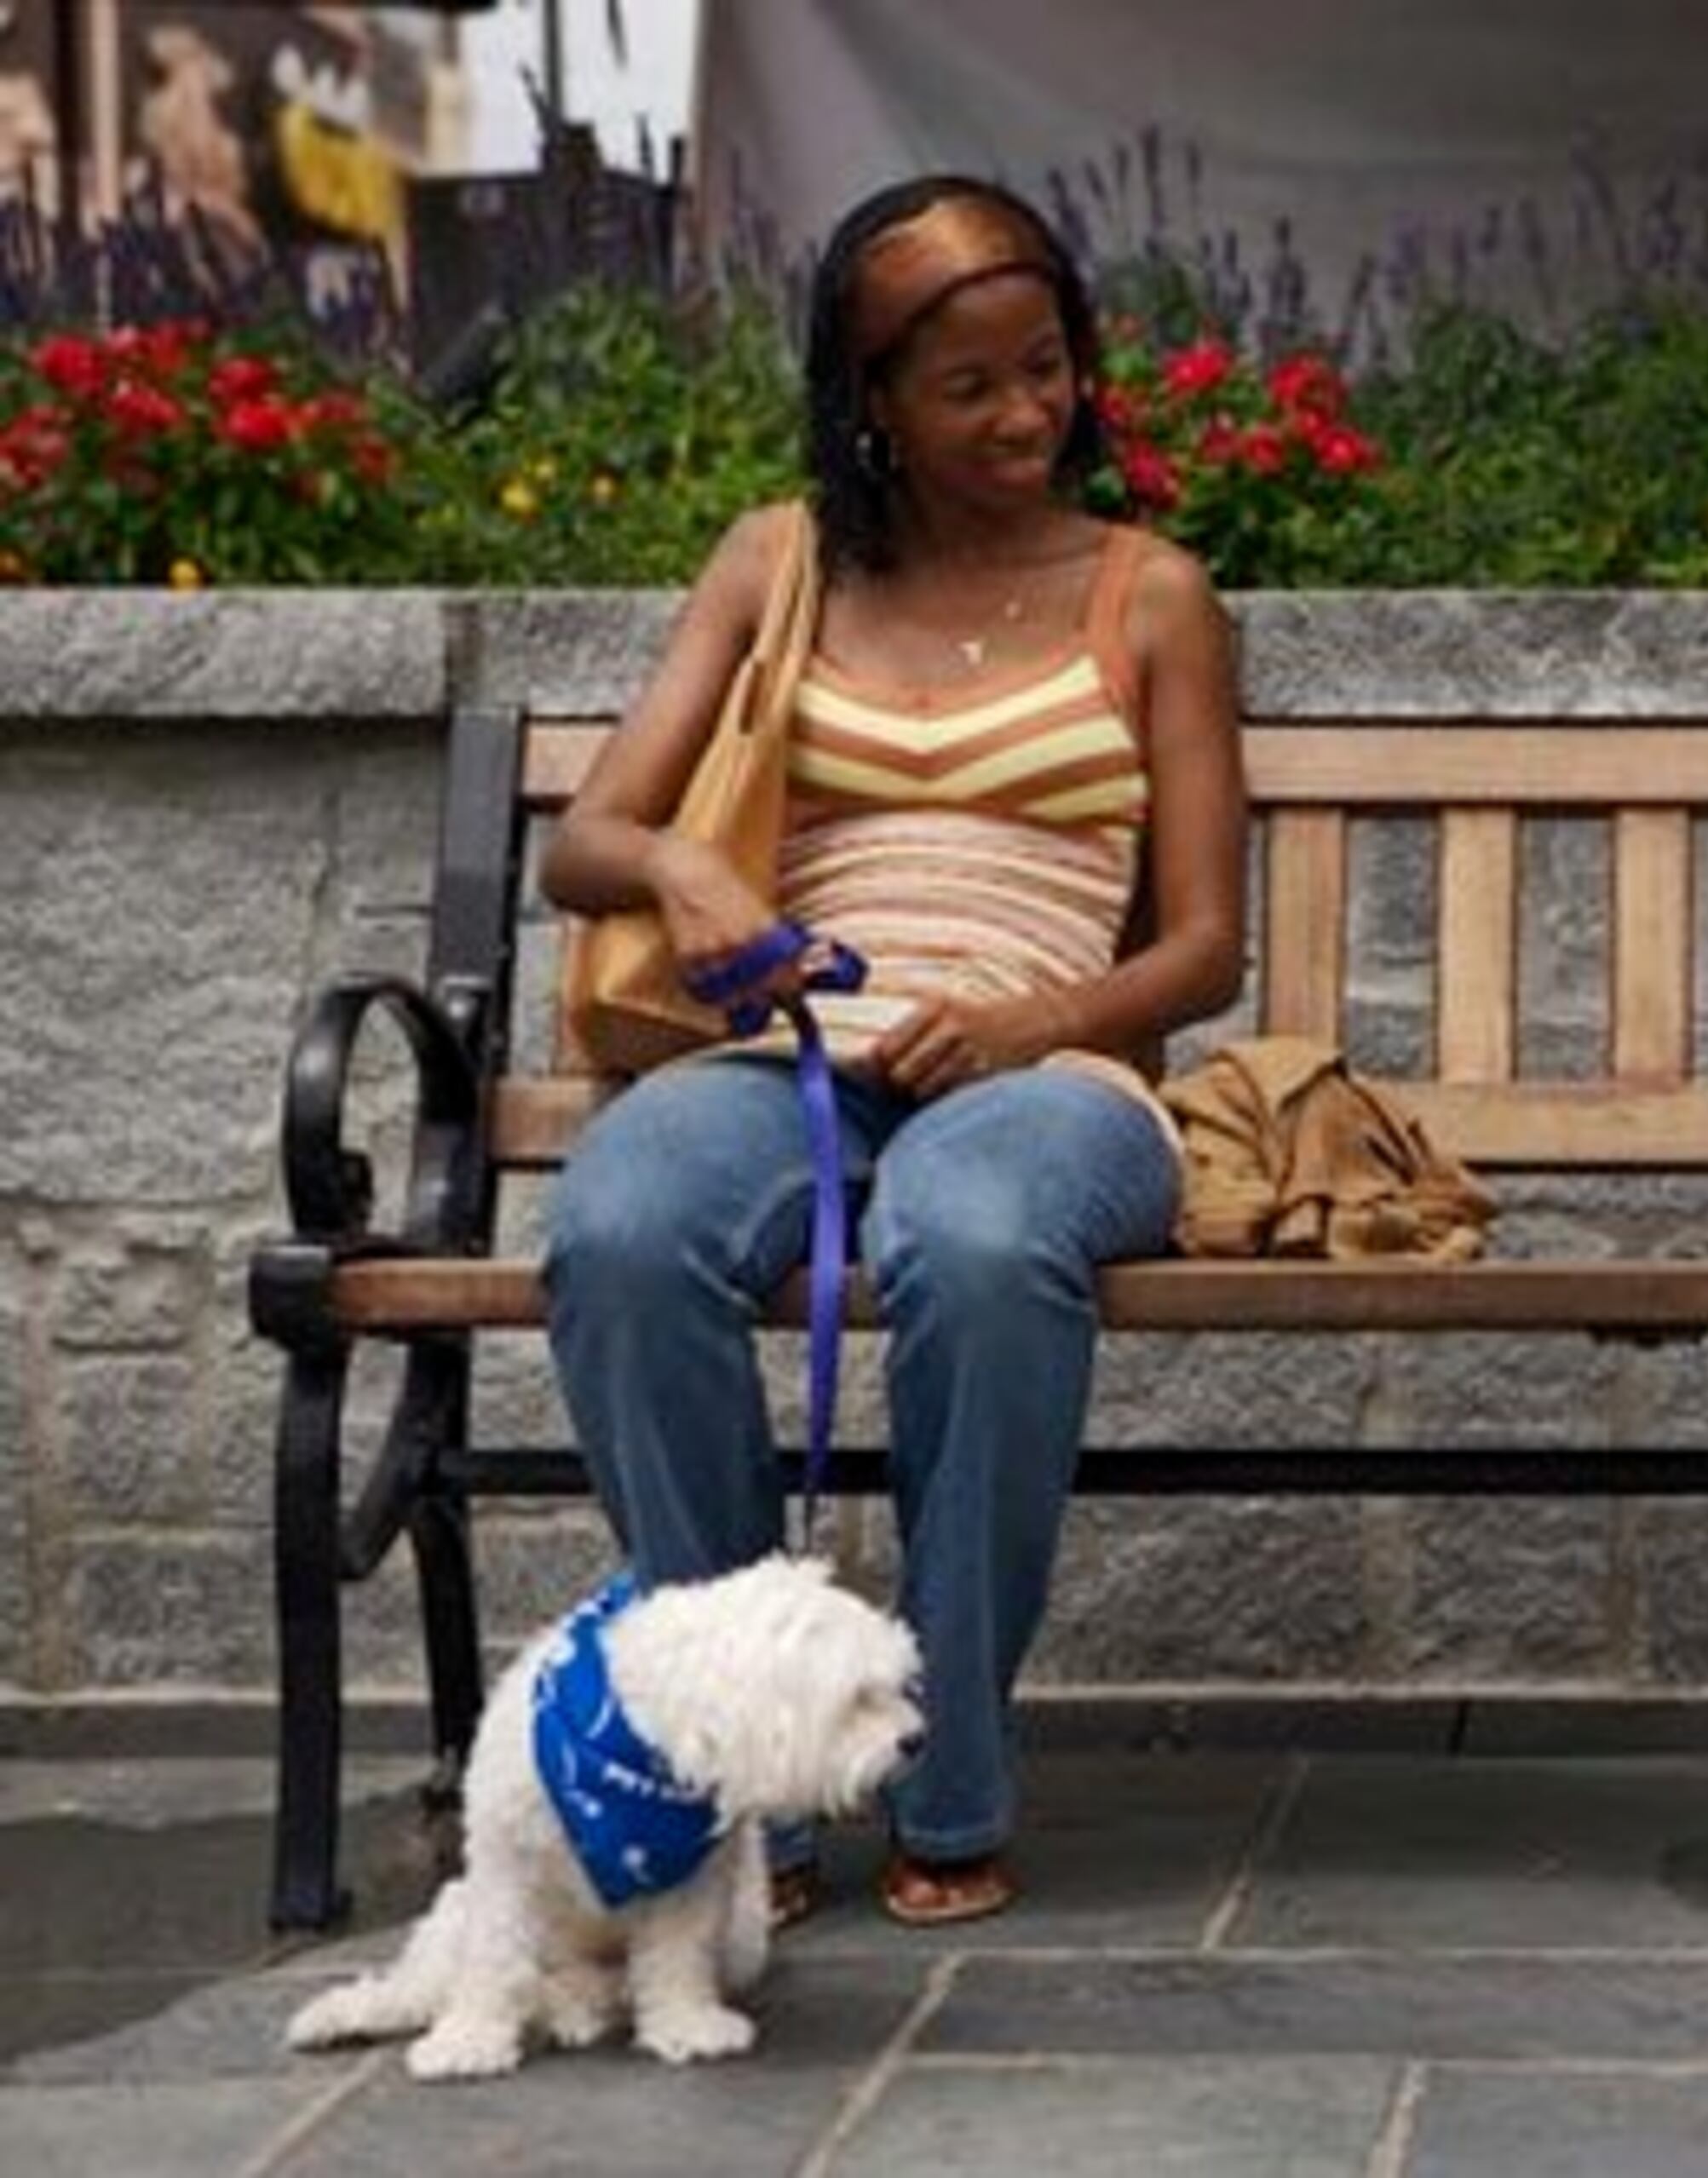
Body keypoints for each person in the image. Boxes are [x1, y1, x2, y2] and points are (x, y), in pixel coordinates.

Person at [538, 175, 1247, 1928]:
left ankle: (949, 1765)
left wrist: (1033, 1022)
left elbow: (1204, 950)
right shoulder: (780, 563)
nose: (1029, 413)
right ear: (873, 404)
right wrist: (690, 864)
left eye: (1051, 367)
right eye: (972, 387)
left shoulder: (1151, 596)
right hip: (787, 1053)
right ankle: (739, 1760)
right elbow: (589, 841)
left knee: (983, 1243)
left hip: (1051, 1077)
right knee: (623, 1226)